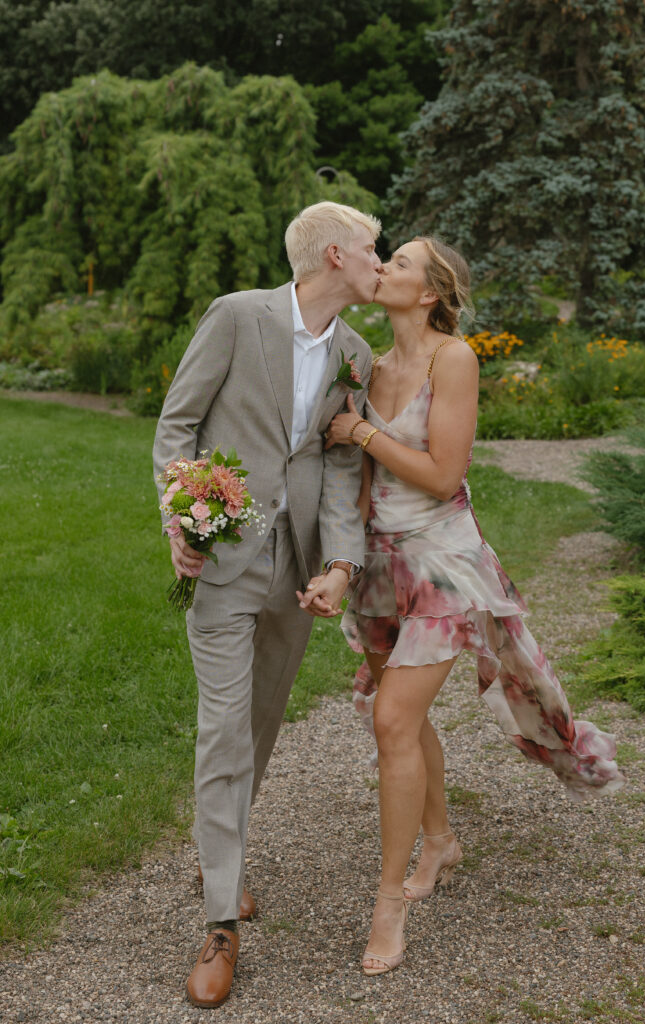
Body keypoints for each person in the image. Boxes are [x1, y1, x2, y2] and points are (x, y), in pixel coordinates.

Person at [313, 236, 624, 976]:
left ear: (428, 293)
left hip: (442, 563)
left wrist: (358, 429)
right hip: (381, 566)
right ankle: (442, 839)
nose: (381, 267)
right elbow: (357, 488)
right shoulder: (364, 364)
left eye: (399, 264)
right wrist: (338, 568)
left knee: (391, 719)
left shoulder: (451, 358)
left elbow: (441, 471)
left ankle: (387, 909)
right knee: (398, 717)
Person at [153, 201, 382, 1007]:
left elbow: (345, 471)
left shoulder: (354, 352)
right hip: (222, 561)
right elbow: (177, 427)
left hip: (298, 573)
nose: (378, 264)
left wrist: (342, 567)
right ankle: (221, 922)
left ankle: (220, 847)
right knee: (223, 726)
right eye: (370, 251)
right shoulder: (236, 317)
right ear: (331, 257)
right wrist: (181, 520)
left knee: (259, 723)